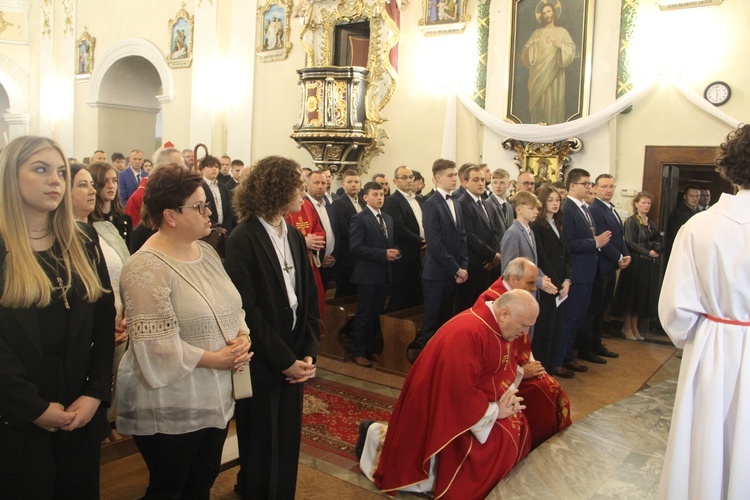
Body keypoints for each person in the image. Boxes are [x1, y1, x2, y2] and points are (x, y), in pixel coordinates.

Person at [117, 165, 252, 499]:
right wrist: (216, 358)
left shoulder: (205, 252)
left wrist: (243, 336)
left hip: (215, 395)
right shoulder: (145, 267)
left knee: (201, 482)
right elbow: (154, 348)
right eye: (200, 206)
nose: (210, 213)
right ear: (170, 215)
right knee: (170, 487)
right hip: (170, 402)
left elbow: (233, 305)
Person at [0, 136, 115, 498]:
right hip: (16, 415)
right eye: (40, 169)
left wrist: (96, 392)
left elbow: (103, 319)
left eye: (61, 172)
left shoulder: (82, 239)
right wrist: (31, 407)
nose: (55, 181)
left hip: (78, 407)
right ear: (9, 177)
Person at [359, 290, 535, 499]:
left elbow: (497, 369)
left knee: (517, 427)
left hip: (475, 407)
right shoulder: (468, 333)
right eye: (524, 325)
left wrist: (508, 397)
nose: (524, 333)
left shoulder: (495, 325)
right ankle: (372, 435)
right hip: (443, 411)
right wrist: (496, 410)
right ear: (505, 313)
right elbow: (458, 394)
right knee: (495, 448)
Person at [658, 124, 750, 498]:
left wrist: (701, 335)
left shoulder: (701, 225)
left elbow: (675, 310)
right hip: (723, 334)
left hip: (714, 347)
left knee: (709, 443)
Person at [225, 156, 320, 499]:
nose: (303, 190)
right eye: (297, 184)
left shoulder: (293, 235)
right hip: (265, 358)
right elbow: (246, 310)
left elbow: (307, 298)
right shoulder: (243, 238)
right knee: (261, 442)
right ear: (277, 188)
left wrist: (308, 353)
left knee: (287, 439)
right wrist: (283, 359)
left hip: (295, 352)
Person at [472, 258, 572, 449]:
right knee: (545, 392)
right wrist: (521, 372)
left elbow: (522, 340)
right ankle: (536, 444)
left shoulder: (517, 297)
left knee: (550, 387)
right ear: (513, 279)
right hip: (501, 378)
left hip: (514, 370)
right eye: (530, 283)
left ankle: (543, 442)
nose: (535, 288)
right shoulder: (492, 300)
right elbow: (494, 354)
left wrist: (531, 364)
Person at [69, 164, 130, 431]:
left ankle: (107, 424)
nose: (92, 190)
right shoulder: (59, 234)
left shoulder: (105, 228)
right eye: (83, 185)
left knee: (113, 378)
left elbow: (127, 268)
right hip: (86, 328)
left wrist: (128, 312)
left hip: (118, 320)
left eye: (90, 184)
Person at [408, 159, 468, 360]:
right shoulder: (431, 204)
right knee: (431, 322)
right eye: (450, 175)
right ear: (437, 178)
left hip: (454, 272)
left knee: (446, 320)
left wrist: (464, 266)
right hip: (436, 273)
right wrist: (455, 269)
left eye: (455, 174)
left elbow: (462, 237)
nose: (455, 179)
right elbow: (435, 243)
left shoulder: (456, 203)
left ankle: (440, 359)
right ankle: (425, 363)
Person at [558, 169, 610, 374]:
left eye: (589, 184)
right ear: (572, 186)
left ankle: (569, 355)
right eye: (585, 183)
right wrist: (594, 242)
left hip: (587, 272)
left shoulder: (584, 207)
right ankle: (559, 359)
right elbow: (568, 243)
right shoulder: (568, 208)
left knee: (579, 318)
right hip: (577, 273)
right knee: (570, 318)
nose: (589, 187)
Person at [349, 182, 399, 367]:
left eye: (382, 194)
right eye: (375, 194)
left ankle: (371, 349)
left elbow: (388, 243)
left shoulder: (387, 217)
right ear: (365, 197)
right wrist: (382, 254)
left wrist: (395, 252)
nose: (380, 197)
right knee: (364, 313)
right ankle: (358, 351)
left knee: (376, 313)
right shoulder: (360, 218)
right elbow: (356, 247)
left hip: (384, 273)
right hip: (367, 275)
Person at [583, 174, 630, 362]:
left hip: (610, 266)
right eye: (604, 186)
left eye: (611, 186)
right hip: (600, 267)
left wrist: (625, 254)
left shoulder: (610, 208)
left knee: (602, 308)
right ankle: (589, 347)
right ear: (595, 188)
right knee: (593, 310)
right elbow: (602, 240)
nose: (608, 190)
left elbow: (619, 236)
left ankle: (597, 343)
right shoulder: (595, 209)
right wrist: (618, 257)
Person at [530, 186, 572, 376]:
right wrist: (555, 282)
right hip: (548, 284)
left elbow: (566, 254)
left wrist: (567, 280)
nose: (555, 203)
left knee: (557, 328)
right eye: (551, 200)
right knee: (544, 329)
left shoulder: (559, 222)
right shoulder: (538, 226)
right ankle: (542, 368)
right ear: (543, 202)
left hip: (561, 285)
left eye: (557, 200)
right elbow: (542, 256)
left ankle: (551, 366)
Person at [611, 192, 662, 341]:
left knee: (641, 297)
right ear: (636, 204)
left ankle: (635, 327)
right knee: (631, 296)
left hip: (648, 264)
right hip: (636, 263)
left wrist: (657, 249)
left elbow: (656, 238)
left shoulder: (650, 223)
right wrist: (648, 252)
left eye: (648, 203)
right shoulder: (631, 221)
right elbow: (630, 242)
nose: (646, 206)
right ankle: (626, 327)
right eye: (643, 203)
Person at [520, 2, 575, 124]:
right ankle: (537, 132)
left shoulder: (562, 32)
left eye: (548, 11)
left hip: (554, 74)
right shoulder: (537, 33)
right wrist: (533, 45)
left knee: (553, 101)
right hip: (538, 74)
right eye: (544, 13)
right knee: (539, 103)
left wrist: (559, 45)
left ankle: (553, 133)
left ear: (554, 12)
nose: (546, 15)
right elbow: (525, 55)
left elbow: (570, 49)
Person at [456, 165, 501, 311]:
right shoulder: (462, 204)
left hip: (488, 265)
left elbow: (494, 232)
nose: (481, 183)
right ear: (465, 182)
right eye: (476, 180)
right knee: (468, 307)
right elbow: (469, 236)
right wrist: (492, 255)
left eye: (482, 179)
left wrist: (493, 258)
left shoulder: (487, 204)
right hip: (473, 265)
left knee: (485, 308)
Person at [382, 165, 424, 312]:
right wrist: (422, 241)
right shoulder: (393, 201)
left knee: (417, 296)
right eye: (404, 177)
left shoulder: (419, 199)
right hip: (405, 255)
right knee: (401, 297)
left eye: (411, 177)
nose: (409, 181)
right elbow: (399, 229)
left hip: (421, 254)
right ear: (395, 181)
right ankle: (392, 330)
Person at [89, 161, 133, 248]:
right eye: (105, 181)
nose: (111, 186)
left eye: (114, 181)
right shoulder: (89, 220)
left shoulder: (124, 218)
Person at [664, 185, 700, 261]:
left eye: (697, 196)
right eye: (691, 196)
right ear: (685, 196)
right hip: (681, 251)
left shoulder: (700, 214)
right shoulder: (677, 214)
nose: (695, 199)